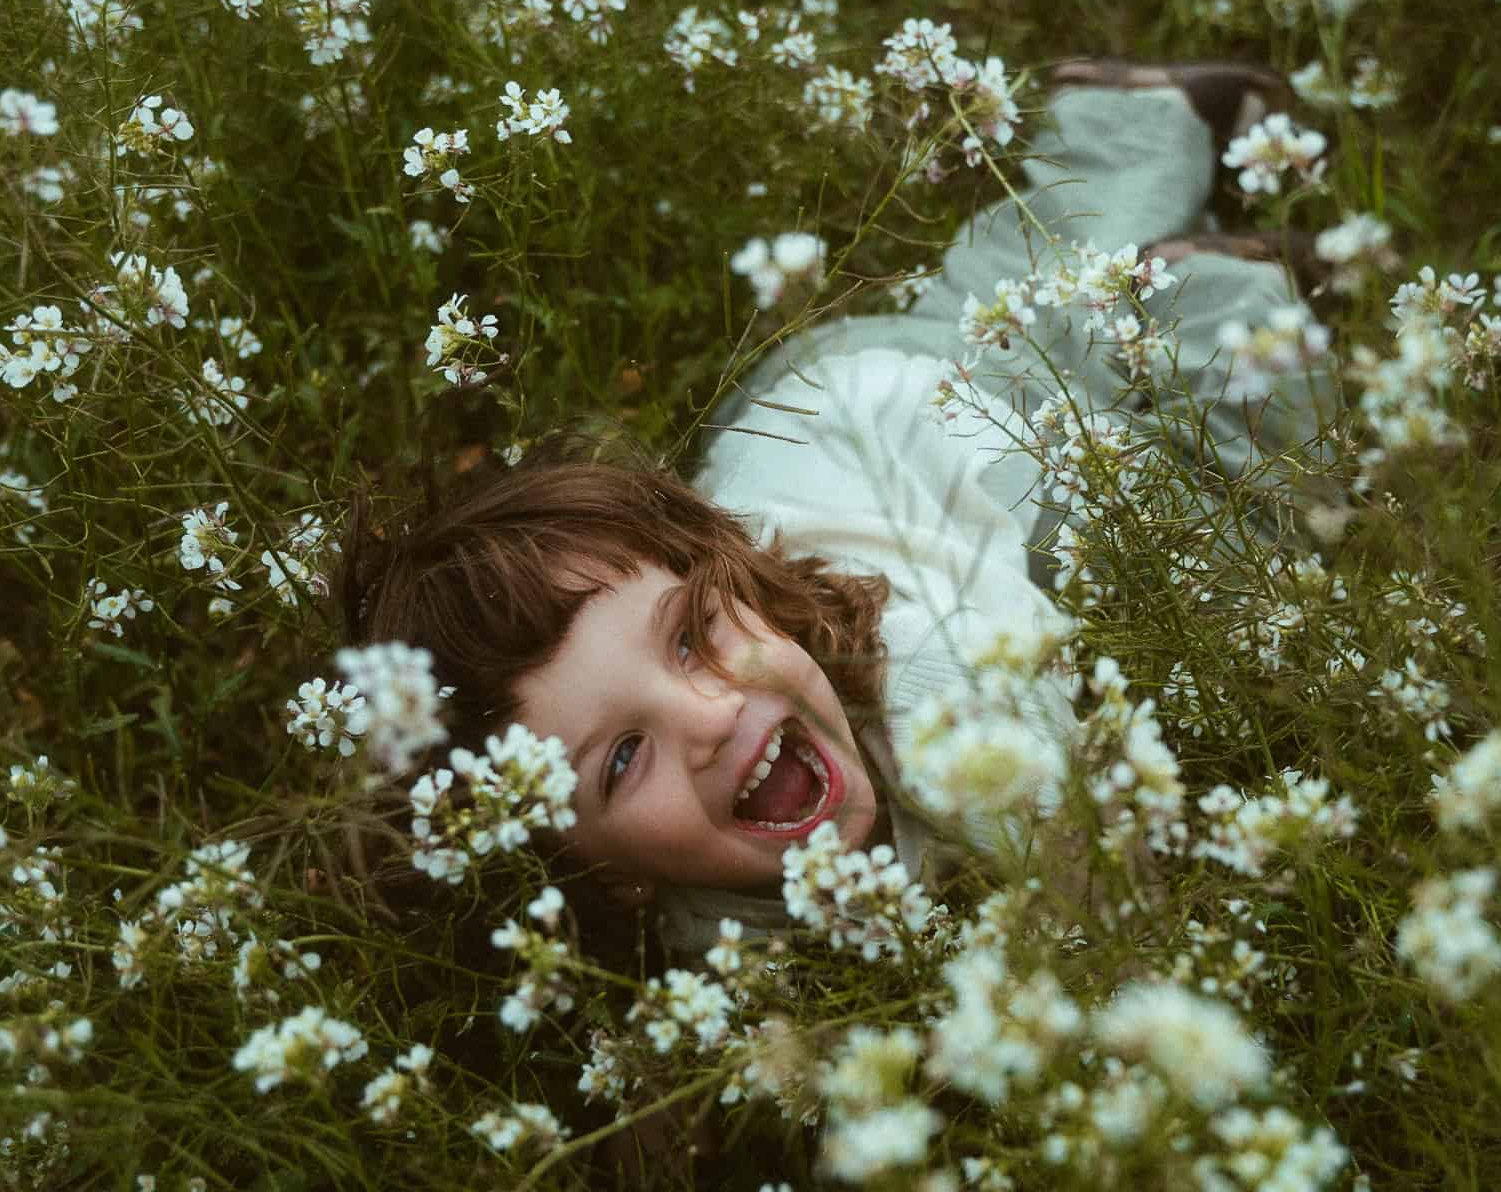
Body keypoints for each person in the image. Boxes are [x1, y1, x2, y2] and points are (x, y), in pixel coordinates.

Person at [339, 59, 1333, 961]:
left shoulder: (948, 699)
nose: (711, 710)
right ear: (603, 873)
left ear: (719, 574)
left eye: (689, 638)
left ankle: (1217, 290)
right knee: (997, 287)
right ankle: (1131, 115)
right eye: (623, 759)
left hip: (922, 431)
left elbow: (1107, 905)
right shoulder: (707, 930)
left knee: (1211, 539)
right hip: (784, 430)